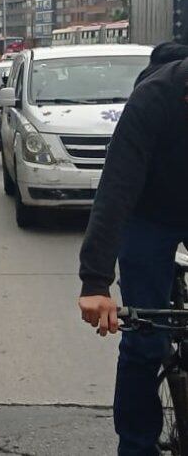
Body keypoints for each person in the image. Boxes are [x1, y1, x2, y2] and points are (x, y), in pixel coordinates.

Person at [79, 46, 188, 455]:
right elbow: (116, 191)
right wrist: (95, 282)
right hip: (149, 212)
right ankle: (136, 444)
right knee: (144, 342)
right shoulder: (154, 97)